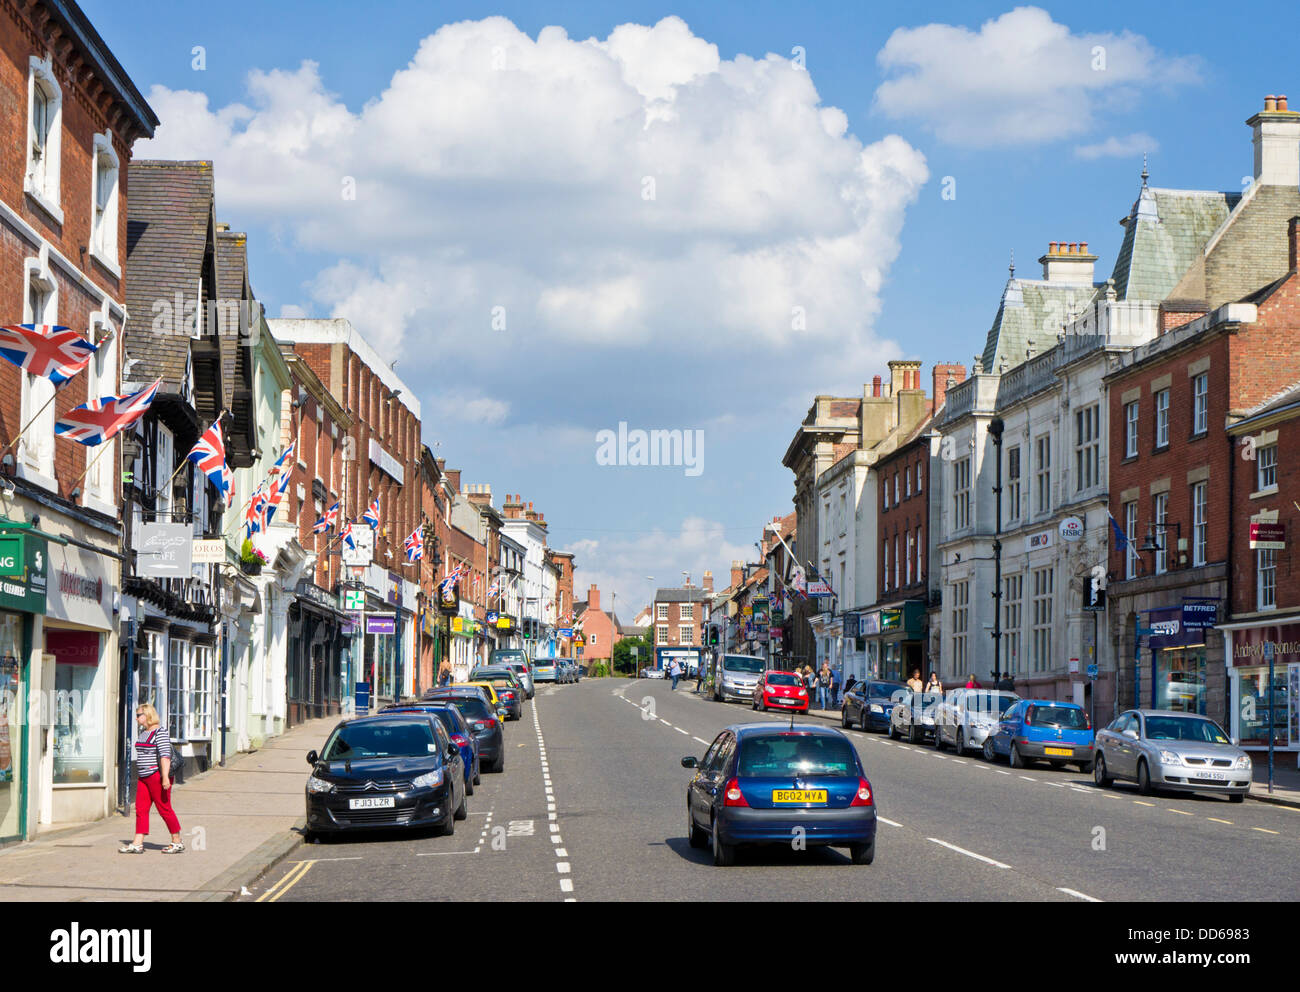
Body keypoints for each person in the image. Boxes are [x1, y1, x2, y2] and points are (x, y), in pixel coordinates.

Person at [120, 703, 183, 854]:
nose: (136, 718)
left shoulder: (160, 732)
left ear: (147, 715)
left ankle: (177, 841)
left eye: (138, 715)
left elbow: (165, 756)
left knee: (164, 809)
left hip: (156, 776)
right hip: (143, 776)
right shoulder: (143, 733)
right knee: (141, 809)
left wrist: (165, 778)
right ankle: (137, 843)